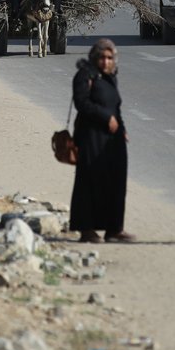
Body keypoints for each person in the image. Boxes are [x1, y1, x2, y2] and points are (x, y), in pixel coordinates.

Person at [70, 38, 133, 244]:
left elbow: (116, 108)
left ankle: (114, 229)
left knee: (116, 182)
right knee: (89, 182)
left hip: (112, 141)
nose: (106, 62)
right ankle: (86, 229)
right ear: (94, 57)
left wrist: (121, 129)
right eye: (102, 57)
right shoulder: (85, 75)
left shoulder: (109, 78)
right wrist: (106, 118)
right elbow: (82, 103)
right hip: (90, 137)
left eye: (109, 58)